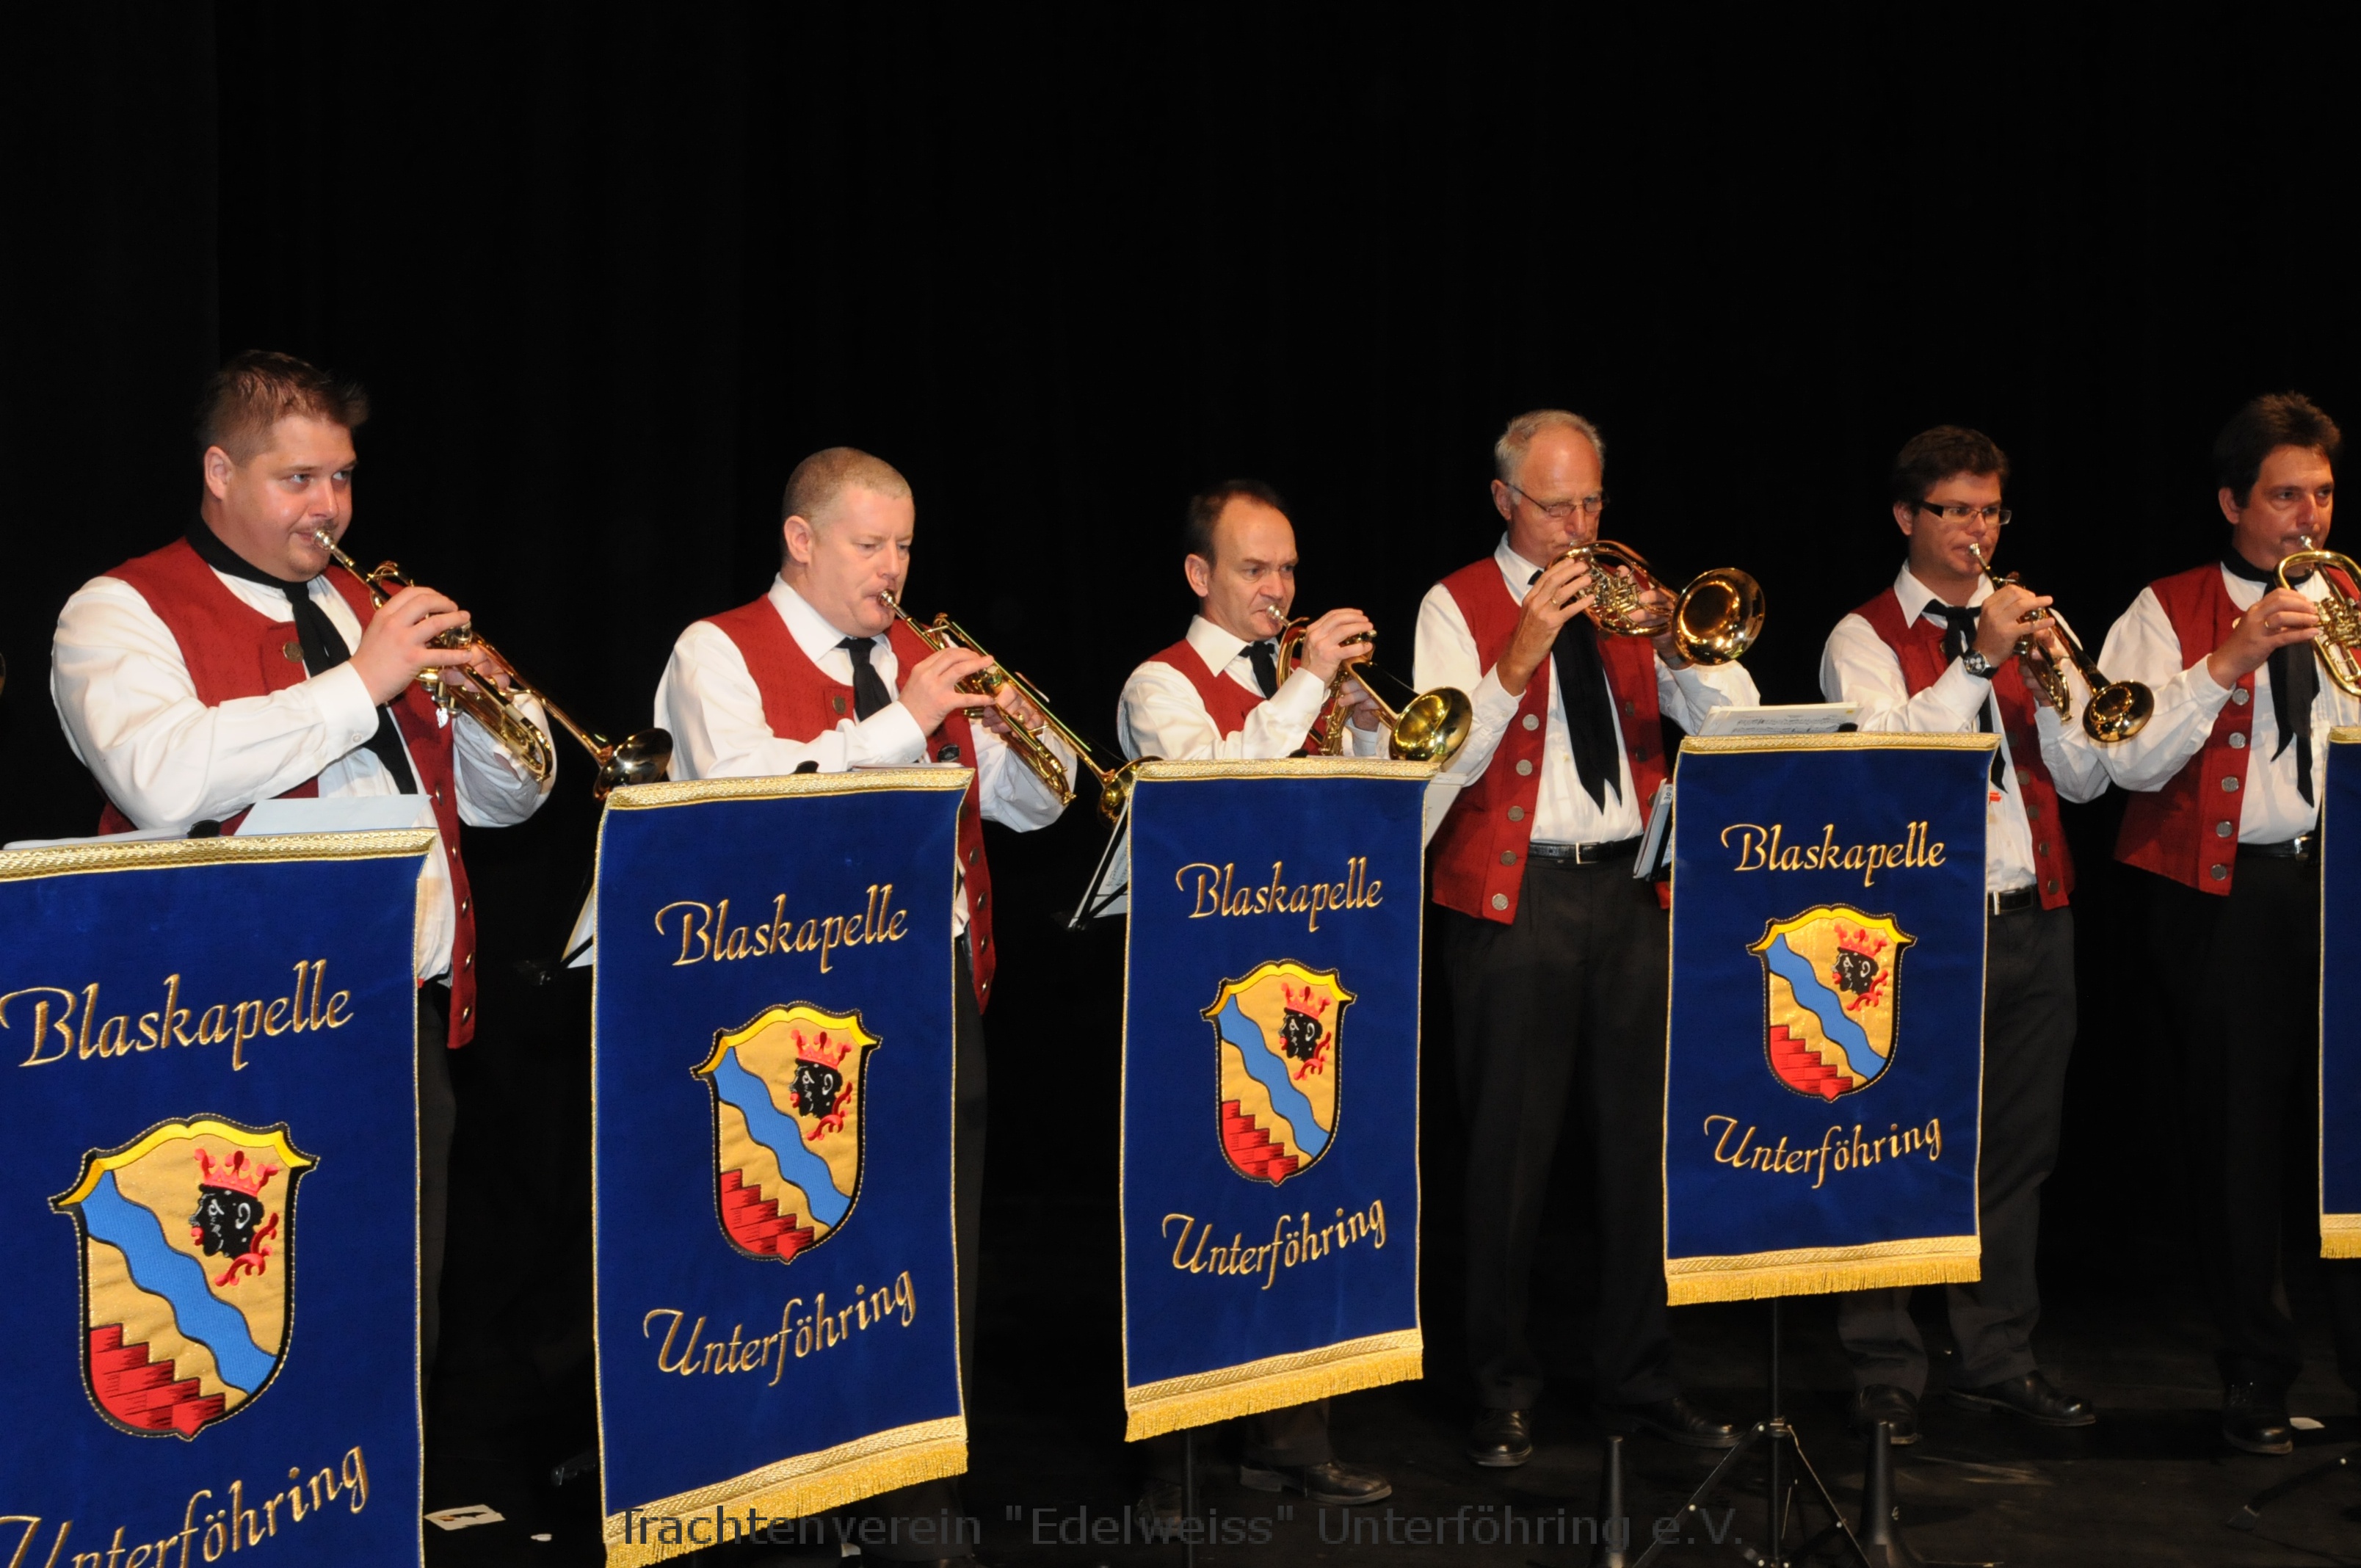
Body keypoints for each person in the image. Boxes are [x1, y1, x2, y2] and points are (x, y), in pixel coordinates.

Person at [49, 349, 555, 1386]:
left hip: (398, 1019)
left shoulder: (369, 602)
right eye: (298, 479)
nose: (329, 506)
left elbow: (504, 806)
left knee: (393, 1316)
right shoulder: (118, 609)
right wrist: (366, 681)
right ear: (220, 472)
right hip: (223, 1029)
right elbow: (162, 779)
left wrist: (495, 714)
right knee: (234, 1321)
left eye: (343, 477)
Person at [653, 446, 1071, 1564]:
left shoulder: (922, 659)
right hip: (780, 1018)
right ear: (801, 541)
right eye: (869, 544)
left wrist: (1020, 731)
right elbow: (747, 802)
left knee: (931, 1245)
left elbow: (1030, 810)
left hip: (929, 987)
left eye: (905, 547)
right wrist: (906, 719)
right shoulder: (716, 649)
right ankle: (782, 1486)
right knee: (792, 1240)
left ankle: (917, 1495)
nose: (893, 569)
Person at [1412, 408, 1757, 1468]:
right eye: (1557, 505)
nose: (1579, 526)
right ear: (1504, 500)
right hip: (1515, 902)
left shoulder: (1630, 596)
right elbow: (1433, 767)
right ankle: (1499, 1386)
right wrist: (1518, 653)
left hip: (1632, 892)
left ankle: (1639, 1381)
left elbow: (1731, 721)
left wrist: (1673, 643)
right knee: (1508, 1159)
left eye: (1592, 501)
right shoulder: (1454, 604)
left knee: (1641, 1157)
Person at [1818, 426, 2108, 1443]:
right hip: (1916, 937)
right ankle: (1883, 1367)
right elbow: (1887, 774)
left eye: (1991, 511)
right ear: (1908, 518)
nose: (1978, 530)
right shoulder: (1861, 637)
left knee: (2017, 1156)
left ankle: (1998, 1357)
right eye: (1956, 511)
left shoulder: (2031, 623)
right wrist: (1980, 659)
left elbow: (2088, 779)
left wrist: (2059, 682)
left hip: (2034, 920)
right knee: (1890, 1148)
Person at [1113, 479, 1391, 1511]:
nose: (1279, 589)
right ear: (1200, 575)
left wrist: (1365, 730)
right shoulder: (1160, 682)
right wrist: (1310, 686)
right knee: (1196, 1205)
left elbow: (1366, 813)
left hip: (1305, 977)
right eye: (1253, 568)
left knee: (1303, 1194)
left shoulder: (1302, 685)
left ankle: (1292, 1434)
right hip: (1197, 994)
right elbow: (1208, 791)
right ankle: (1174, 1458)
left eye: (1287, 569)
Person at [2092, 392, 2361, 1455]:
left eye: (2323, 494)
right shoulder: (2165, 609)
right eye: (2287, 496)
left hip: (2341, 885)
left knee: (2352, 1137)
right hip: (2227, 899)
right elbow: (2123, 760)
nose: (2310, 517)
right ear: (2232, 503)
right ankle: (2256, 1372)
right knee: (2240, 1140)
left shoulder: (2351, 598)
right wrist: (2228, 661)